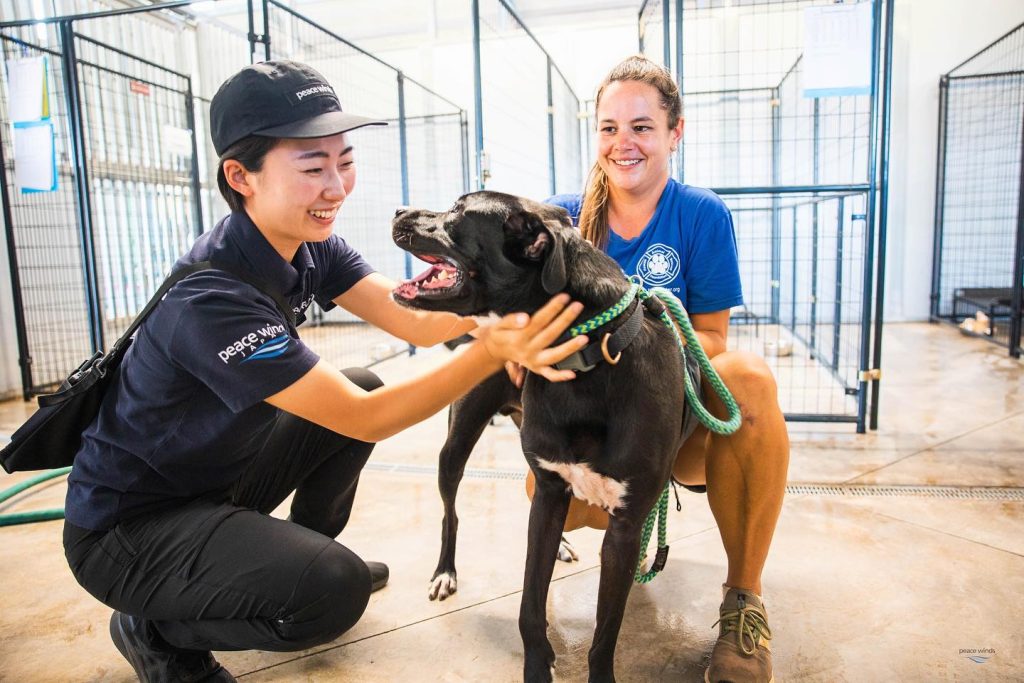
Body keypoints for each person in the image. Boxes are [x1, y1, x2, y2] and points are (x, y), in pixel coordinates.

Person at [62, 60, 589, 683]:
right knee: (332, 592)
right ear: (242, 177)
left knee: (360, 379)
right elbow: (370, 418)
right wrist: (497, 347)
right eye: (313, 168)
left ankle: (293, 559)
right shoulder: (212, 300)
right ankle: (155, 627)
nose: (337, 186)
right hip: (131, 529)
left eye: (344, 160)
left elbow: (416, 320)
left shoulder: (308, 243)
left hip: (215, 483)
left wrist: (500, 302)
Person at [521, 55, 790, 683]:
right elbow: (517, 329)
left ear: (675, 133)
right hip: (595, 438)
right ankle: (616, 529)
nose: (624, 143)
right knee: (541, 489)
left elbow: (714, 338)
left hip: (673, 429)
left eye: (642, 127)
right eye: (609, 127)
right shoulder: (560, 220)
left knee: (750, 378)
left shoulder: (700, 214)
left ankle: (743, 603)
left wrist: (636, 346)